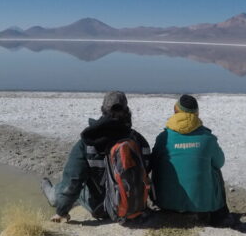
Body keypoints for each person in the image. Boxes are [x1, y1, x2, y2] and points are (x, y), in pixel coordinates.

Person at [41, 91, 151, 223]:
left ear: (102, 110)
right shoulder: (138, 140)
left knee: (60, 193)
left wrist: (61, 212)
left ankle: (47, 187)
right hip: (134, 206)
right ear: (127, 111)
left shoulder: (88, 141)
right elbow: (146, 169)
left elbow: (74, 180)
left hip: (102, 208)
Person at [151, 94, 232, 226]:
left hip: (165, 202)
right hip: (202, 205)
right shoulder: (208, 138)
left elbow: (153, 163)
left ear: (176, 110)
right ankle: (220, 214)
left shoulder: (163, 138)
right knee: (215, 169)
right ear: (196, 113)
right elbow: (220, 162)